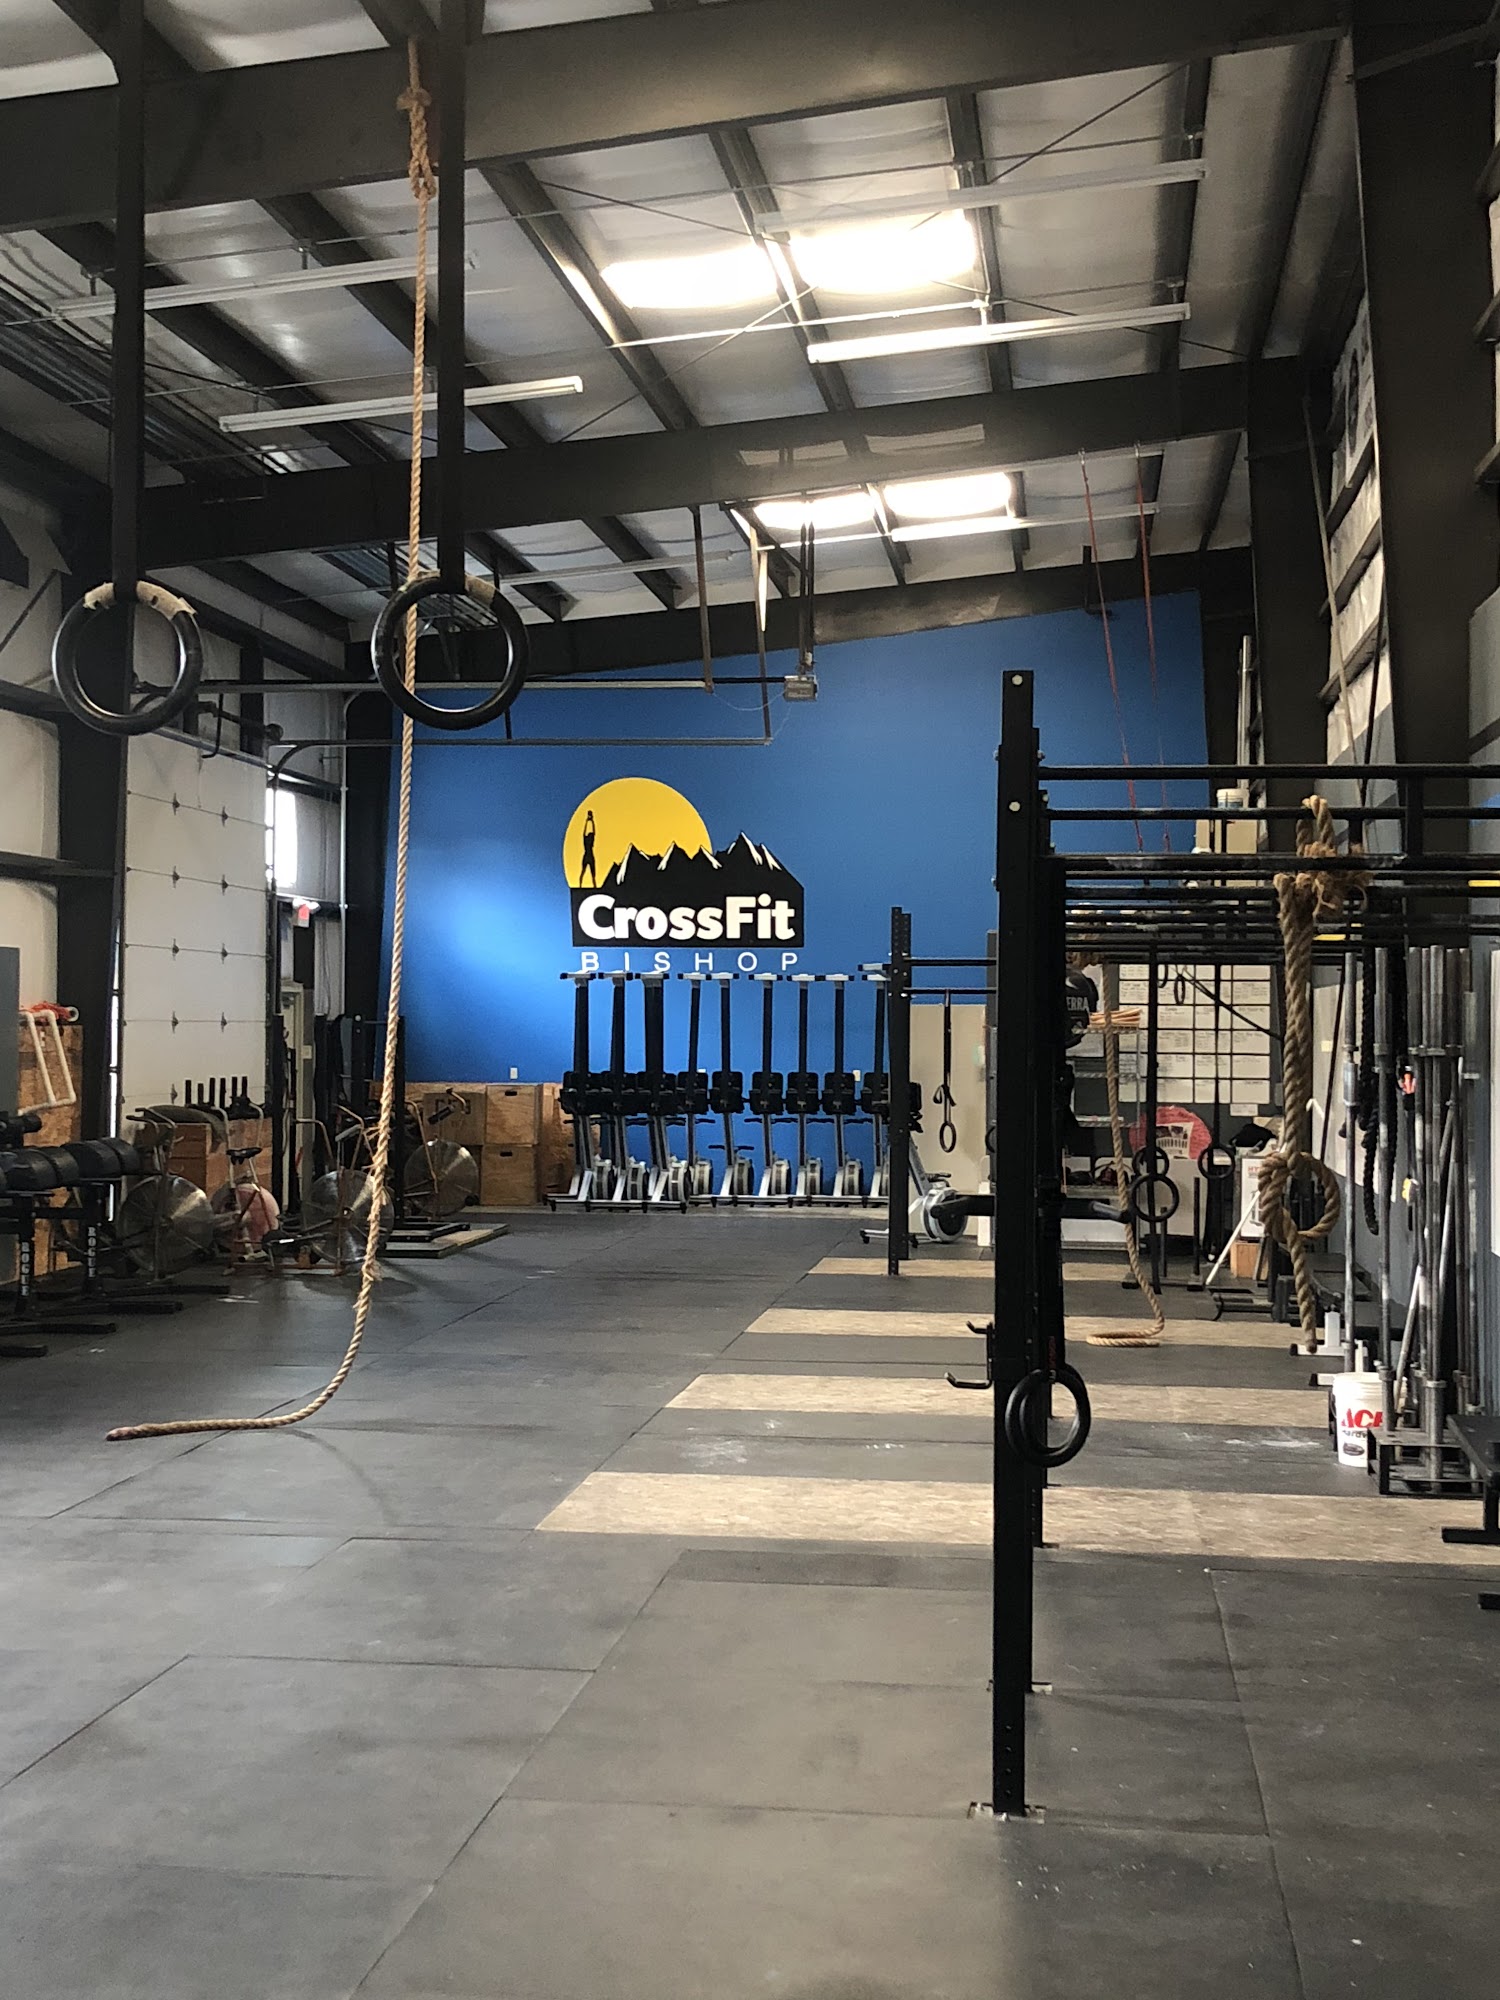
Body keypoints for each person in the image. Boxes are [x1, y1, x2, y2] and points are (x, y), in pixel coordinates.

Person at [579, 809, 598, 888]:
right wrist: (589, 821)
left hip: (588, 855)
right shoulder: (587, 840)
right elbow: (588, 832)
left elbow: (592, 832)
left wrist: (589, 821)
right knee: (586, 872)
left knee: (590, 873)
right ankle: (581, 885)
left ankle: (592, 886)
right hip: (588, 855)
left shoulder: (587, 840)